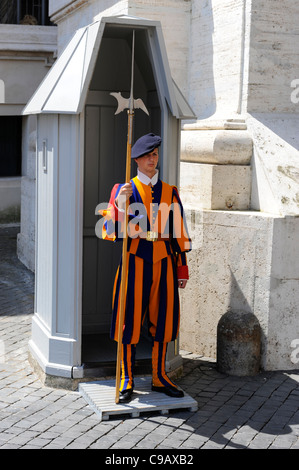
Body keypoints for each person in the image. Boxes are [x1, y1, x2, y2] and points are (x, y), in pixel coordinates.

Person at [99, 133, 191, 403]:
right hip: (134, 262)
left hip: (164, 263)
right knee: (128, 321)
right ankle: (126, 377)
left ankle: (159, 376)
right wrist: (118, 205)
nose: (153, 159)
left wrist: (182, 268)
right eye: (147, 155)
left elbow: (178, 233)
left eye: (155, 154)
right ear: (136, 159)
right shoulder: (123, 190)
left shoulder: (169, 191)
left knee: (163, 321)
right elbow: (109, 232)